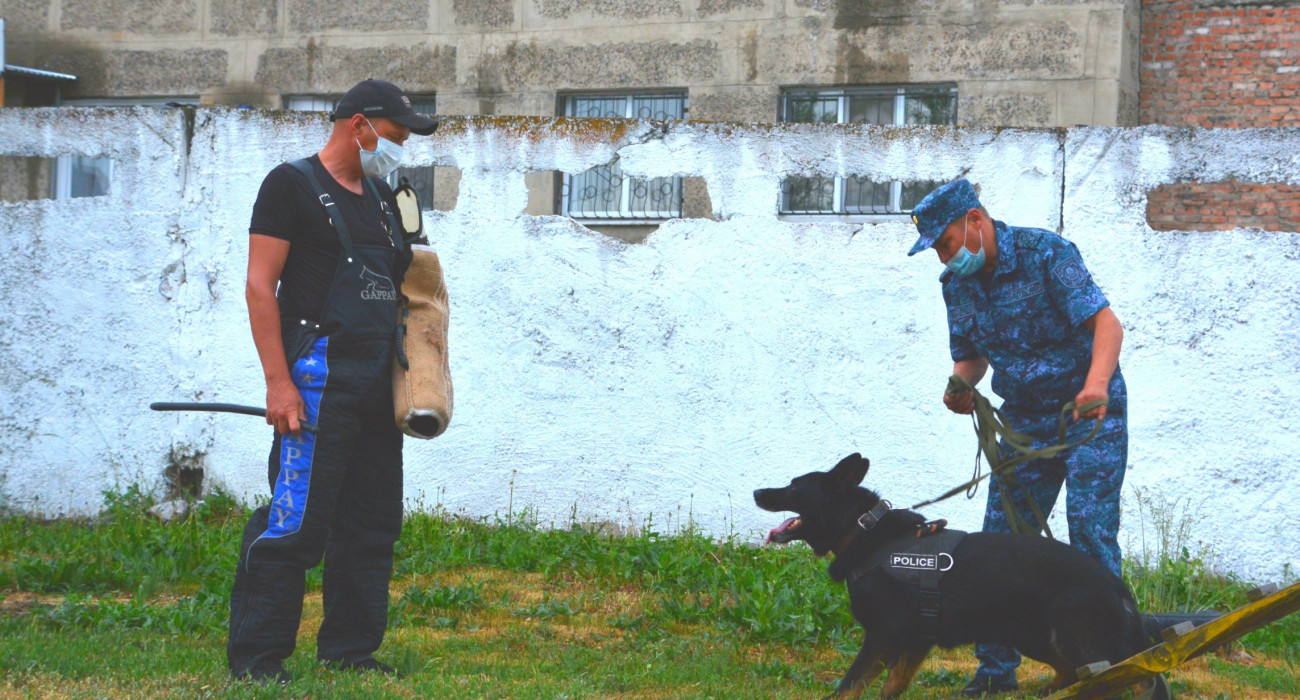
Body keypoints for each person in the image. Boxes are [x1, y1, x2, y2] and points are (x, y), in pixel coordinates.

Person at [226, 79, 438, 684]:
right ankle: (258, 659)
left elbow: (408, 286)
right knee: (295, 522)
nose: (398, 149)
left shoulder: (383, 196)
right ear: (359, 125)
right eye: (394, 135)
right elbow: (259, 286)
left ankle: (350, 650)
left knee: (372, 526)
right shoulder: (289, 186)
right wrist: (278, 383)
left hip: (376, 383)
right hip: (317, 380)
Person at [907, 178, 1128, 697]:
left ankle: (1113, 660)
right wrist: (961, 385)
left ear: (975, 221)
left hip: (1088, 412)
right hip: (1024, 419)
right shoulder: (955, 285)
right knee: (1002, 543)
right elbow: (971, 356)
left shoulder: (1045, 253)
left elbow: (1107, 326)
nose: (945, 256)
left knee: (1090, 533)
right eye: (937, 250)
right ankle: (995, 669)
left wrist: (1096, 385)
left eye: (946, 243)